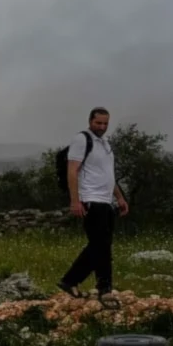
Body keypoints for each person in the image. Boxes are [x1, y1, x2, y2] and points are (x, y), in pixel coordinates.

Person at [59, 108, 128, 300]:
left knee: (102, 244)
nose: (102, 127)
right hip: (90, 199)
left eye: (105, 123)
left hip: (106, 200)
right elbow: (72, 171)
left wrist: (120, 197)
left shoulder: (105, 143)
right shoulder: (82, 140)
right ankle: (101, 287)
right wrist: (75, 201)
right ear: (90, 121)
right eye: (98, 123)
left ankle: (75, 281)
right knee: (100, 244)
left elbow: (108, 175)